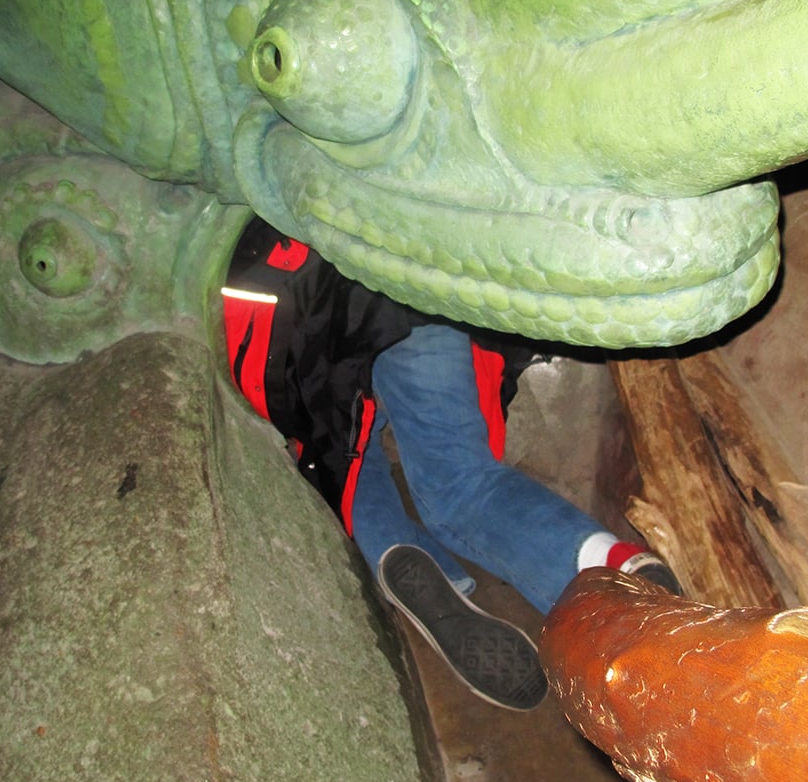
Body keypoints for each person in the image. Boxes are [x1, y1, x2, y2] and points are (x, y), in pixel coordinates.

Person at [221, 218, 681, 711]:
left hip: (302, 300)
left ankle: (392, 546)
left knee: (343, 459)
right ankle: (606, 563)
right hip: (411, 271)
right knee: (461, 481)